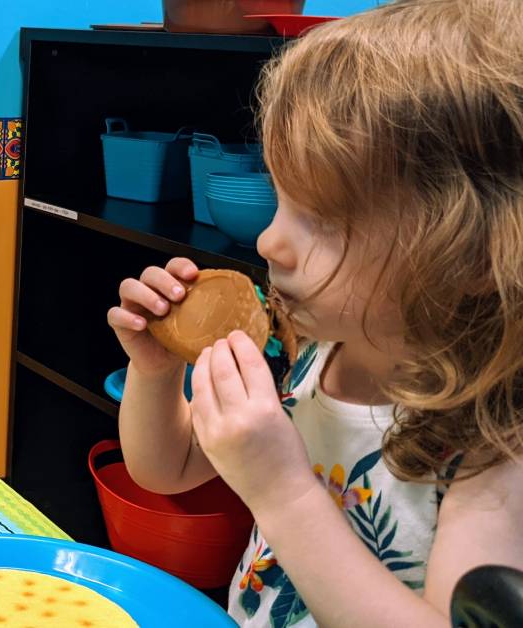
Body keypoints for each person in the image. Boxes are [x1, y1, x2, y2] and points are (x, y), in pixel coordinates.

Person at [108, 1, 523, 625]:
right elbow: (165, 469)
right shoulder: (316, 351)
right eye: (281, 199)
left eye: (323, 220)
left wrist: (280, 491)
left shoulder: (494, 443)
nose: (270, 242)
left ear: (468, 253)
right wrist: (157, 371)